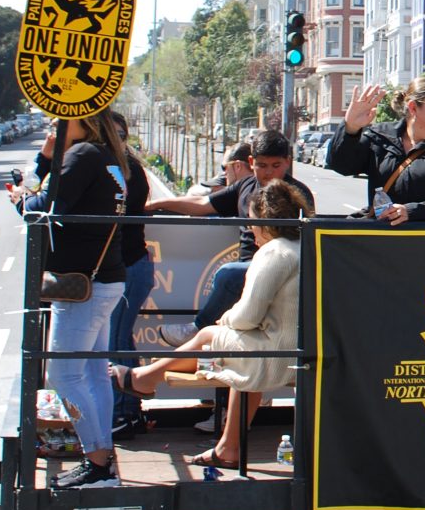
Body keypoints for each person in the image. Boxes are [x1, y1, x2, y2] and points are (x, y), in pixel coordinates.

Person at [113, 179, 312, 470]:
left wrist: (225, 320)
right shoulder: (306, 245)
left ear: (266, 223)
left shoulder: (273, 252)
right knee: (242, 358)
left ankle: (146, 378)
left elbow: (248, 315)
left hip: (275, 356)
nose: (250, 230)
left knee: (208, 333)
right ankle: (227, 447)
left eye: (252, 222)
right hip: (302, 351)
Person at [32, 110, 134, 489]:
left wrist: (42, 163)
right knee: (92, 373)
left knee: (62, 374)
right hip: (104, 278)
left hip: (82, 285)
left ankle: (97, 463)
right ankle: (101, 457)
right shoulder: (108, 157)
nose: (51, 125)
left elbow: (40, 206)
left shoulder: (82, 155)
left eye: (57, 119)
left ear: (78, 121)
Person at [144, 129, 304, 335]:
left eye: (276, 166)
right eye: (262, 166)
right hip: (251, 270)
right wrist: (155, 204)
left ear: (288, 162)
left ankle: (198, 328)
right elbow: (203, 203)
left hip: (282, 270)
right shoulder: (245, 186)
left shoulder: (297, 195)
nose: (269, 173)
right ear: (251, 161)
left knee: (228, 275)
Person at [328, 77, 425, 222]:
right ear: (413, 107)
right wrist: (350, 127)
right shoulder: (380, 137)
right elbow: (341, 165)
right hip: (381, 244)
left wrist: (412, 211)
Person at [107, 110, 156, 441]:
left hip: (129, 265)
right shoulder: (121, 169)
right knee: (119, 338)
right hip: (126, 265)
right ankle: (128, 410)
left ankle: (125, 412)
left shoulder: (127, 171)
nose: (116, 141)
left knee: (117, 340)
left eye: (121, 135)